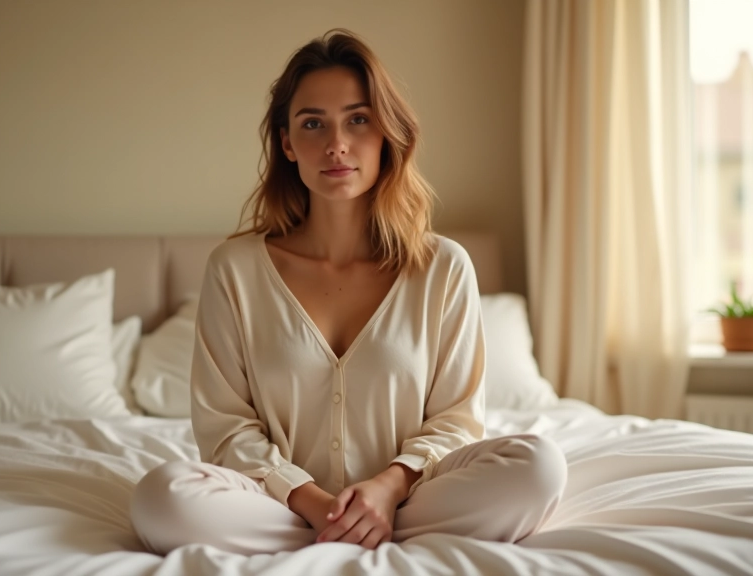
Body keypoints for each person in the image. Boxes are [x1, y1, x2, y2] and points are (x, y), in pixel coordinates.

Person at [131, 28, 567, 556]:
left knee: (539, 467)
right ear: (287, 142)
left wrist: (388, 488)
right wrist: (311, 500)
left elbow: (456, 420)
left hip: (411, 496)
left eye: (358, 120)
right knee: (162, 497)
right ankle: (346, 530)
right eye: (313, 123)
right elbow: (225, 428)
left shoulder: (443, 267)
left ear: (386, 133)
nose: (336, 143)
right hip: (279, 504)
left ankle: (363, 526)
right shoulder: (236, 269)